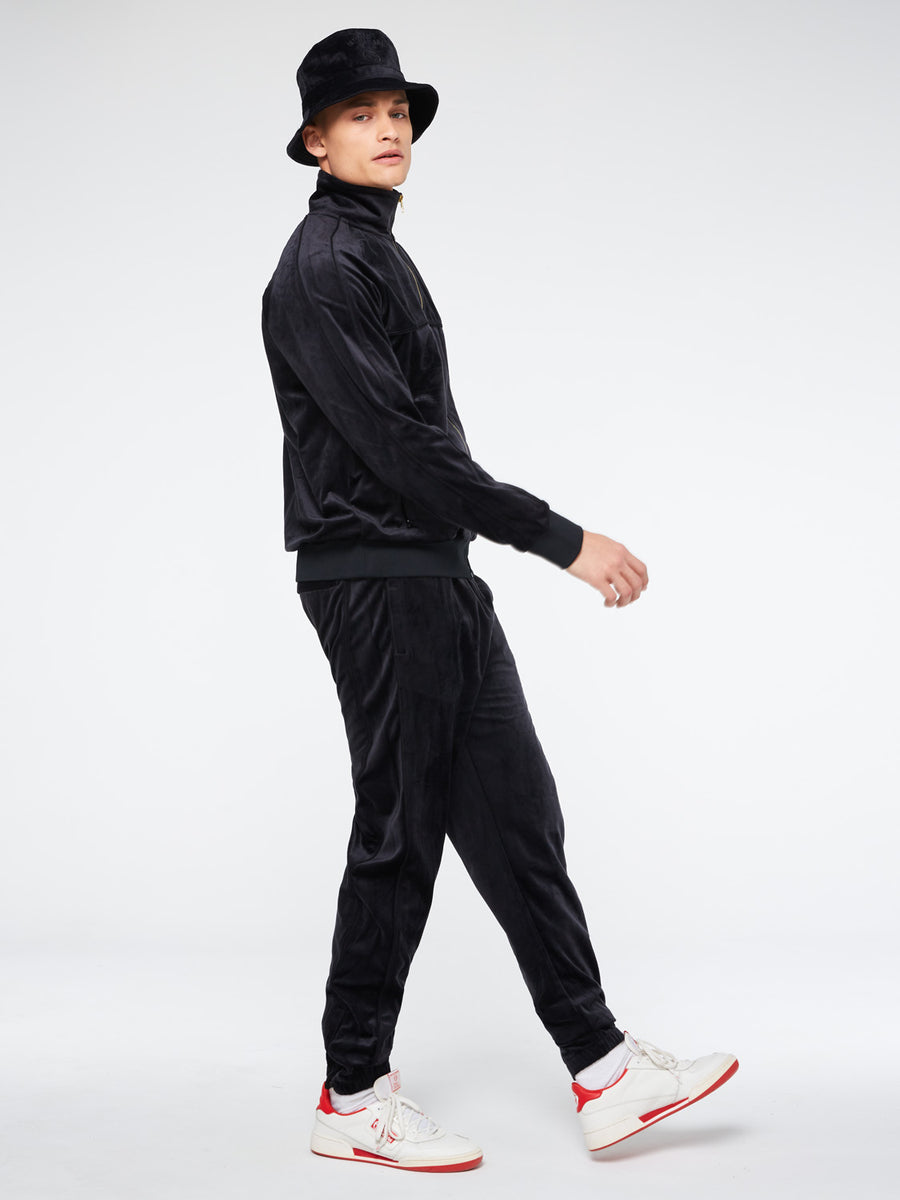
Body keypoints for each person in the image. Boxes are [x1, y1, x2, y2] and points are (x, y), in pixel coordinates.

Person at [261, 28, 737, 1172]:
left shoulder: (376, 252)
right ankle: (352, 1094)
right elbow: (402, 450)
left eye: (398, 111)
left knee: (520, 821)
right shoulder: (323, 267)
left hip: (436, 574)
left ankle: (604, 1069)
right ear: (316, 140)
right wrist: (562, 539)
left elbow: (417, 451)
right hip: (378, 578)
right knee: (400, 835)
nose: (390, 129)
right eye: (362, 114)